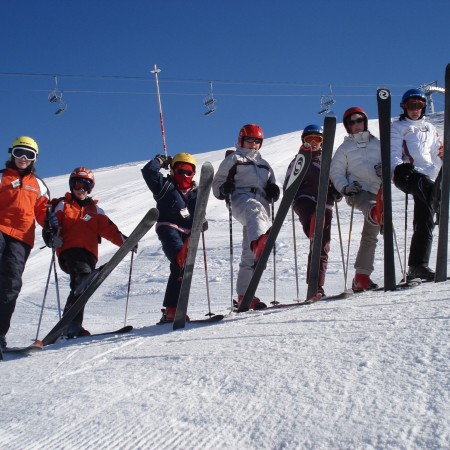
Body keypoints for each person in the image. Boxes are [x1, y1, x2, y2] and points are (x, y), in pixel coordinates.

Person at [44, 167, 127, 338]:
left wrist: (125, 242)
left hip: (90, 253)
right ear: (71, 185)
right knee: (83, 275)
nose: (81, 189)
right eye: (77, 184)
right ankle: (71, 322)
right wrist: (50, 237)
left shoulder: (95, 210)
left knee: (80, 289)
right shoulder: (63, 205)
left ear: (90, 189)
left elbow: (109, 230)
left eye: (85, 186)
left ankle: (72, 325)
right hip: (69, 249)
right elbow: (49, 225)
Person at [212, 124, 280, 310]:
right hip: (241, 198)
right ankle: (259, 245)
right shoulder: (234, 159)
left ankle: (245, 295)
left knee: (248, 255)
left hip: (263, 202)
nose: (253, 144)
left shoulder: (265, 164)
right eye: (249, 140)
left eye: (257, 141)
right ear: (241, 140)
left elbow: (272, 184)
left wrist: (274, 190)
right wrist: (223, 189)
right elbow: (218, 182)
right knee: (253, 210)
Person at [142, 152, 204, 322]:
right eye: (180, 170)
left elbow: (200, 212)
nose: (184, 175)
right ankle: (181, 254)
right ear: (173, 171)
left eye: (188, 172)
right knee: (179, 259)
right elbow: (148, 172)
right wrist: (159, 161)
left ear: (193, 174)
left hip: (187, 232)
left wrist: (201, 221)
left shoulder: (196, 193)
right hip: (167, 227)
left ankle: (171, 309)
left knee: (179, 270)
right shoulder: (164, 186)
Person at [0, 136, 50, 349]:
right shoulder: (1, 178)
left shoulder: (38, 185)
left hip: (21, 238)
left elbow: (43, 212)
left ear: (34, 159)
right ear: (11, 153)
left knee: (10, 286)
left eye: (29, 155)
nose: (23, 158)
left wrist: (50, 230)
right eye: (19, 152)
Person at [391, 89, 443, 281]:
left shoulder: (430, 128)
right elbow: (393, 151)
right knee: (428, 193)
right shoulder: (398, 127)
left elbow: (438, 151)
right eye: (411, 105)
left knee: (425, 218)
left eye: (419, 105)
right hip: (408, 174)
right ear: (404, 107)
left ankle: (417, 266)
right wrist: (398, 167)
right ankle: (416, 265)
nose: (415, 109)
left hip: (429, 176)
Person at [284, 124, 341, 299]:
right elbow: (288, 184)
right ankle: (312, 224)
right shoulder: (298, 161)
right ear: (303, 141)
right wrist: (292, 192)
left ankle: (316, 286)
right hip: (305, 200)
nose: (314, 143)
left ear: (323, 142)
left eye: (318, 139)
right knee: (311, 217)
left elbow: (336, 183)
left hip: (325, 205)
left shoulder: (329, 162)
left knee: (322, 245)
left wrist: (336, 192)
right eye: (309, 139)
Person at [330, 107, 383, 292]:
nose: (356, 125)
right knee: (372, 208)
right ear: (347, 127)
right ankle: (376, 213)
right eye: (351, 122)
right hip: (357, 191)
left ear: (365, 122)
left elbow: (390, 164)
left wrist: (385, 171)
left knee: (371, 235)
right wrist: (345, 187)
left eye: (359, 120)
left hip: (379, 191)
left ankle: (361, 276)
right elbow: (335, 171)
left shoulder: (377, 144)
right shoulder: (345, 148)